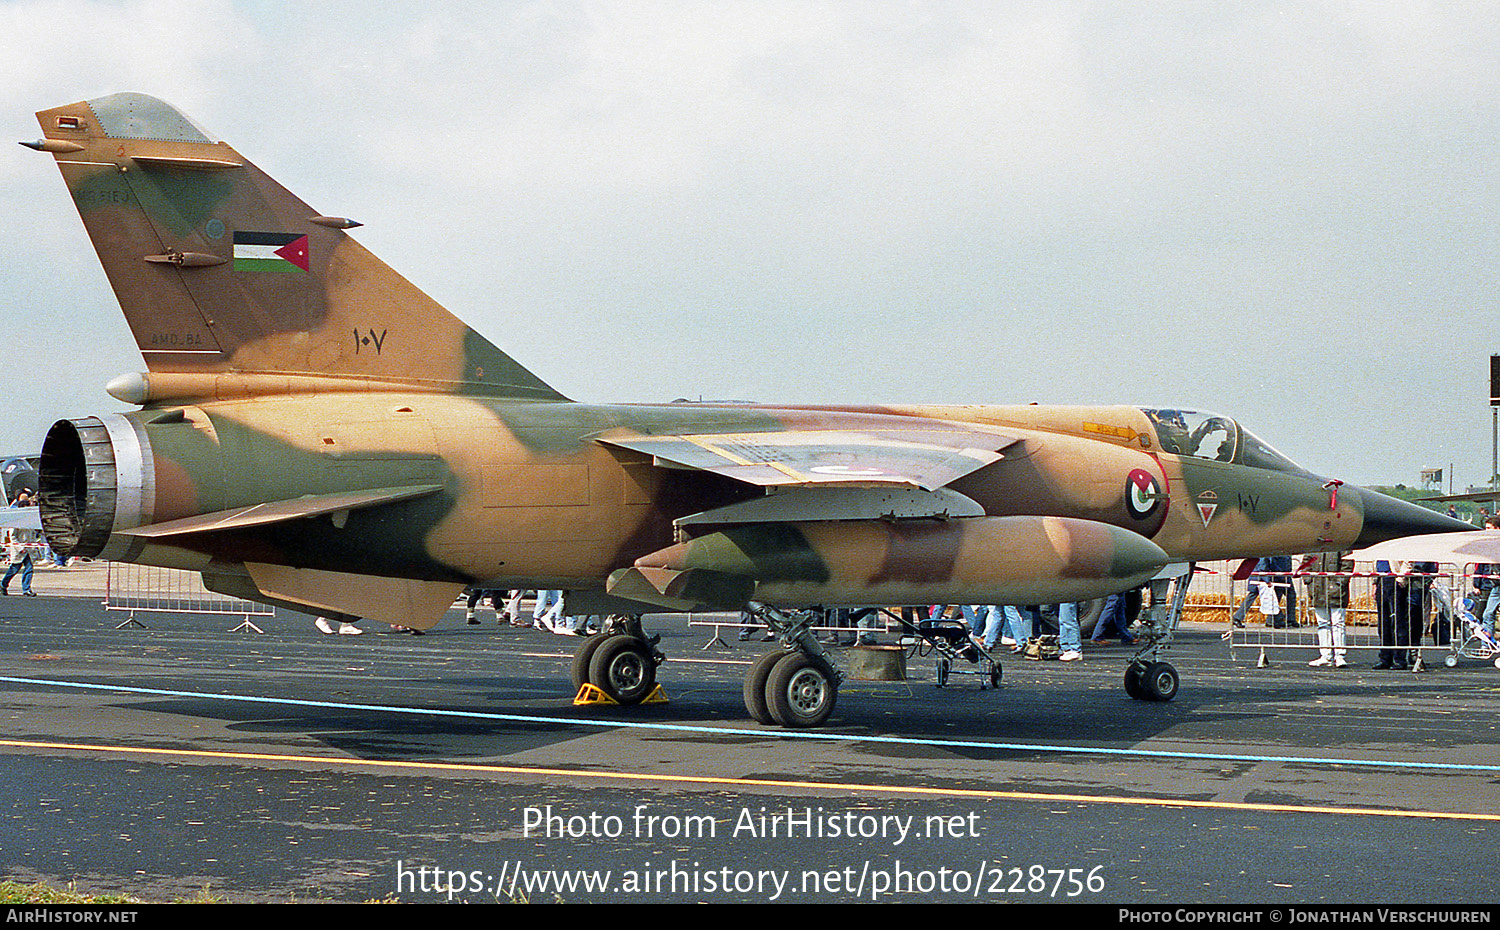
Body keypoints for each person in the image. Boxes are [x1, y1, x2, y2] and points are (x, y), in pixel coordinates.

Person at [1301, 550, 1352, 667]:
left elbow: (1347, 565)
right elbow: (1306, 563)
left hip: (1336, 591)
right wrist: (1308, 581)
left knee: (1338, 623)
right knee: (1322, 623)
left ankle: (1339, 655)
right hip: (1318, 590)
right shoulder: (1315, 545)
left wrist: (1340, 583)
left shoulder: (1342, 544)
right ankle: (1325, 655)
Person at [1, 528, 35, 596]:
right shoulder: (16, 525)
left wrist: (33, 547)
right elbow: (12, 537)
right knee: (14, 569)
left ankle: (26, 589)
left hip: (28, 550)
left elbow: (32, 536)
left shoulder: (30, 525)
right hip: (18, 551)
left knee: (29, 568)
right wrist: (20, 548)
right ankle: (3, 585)